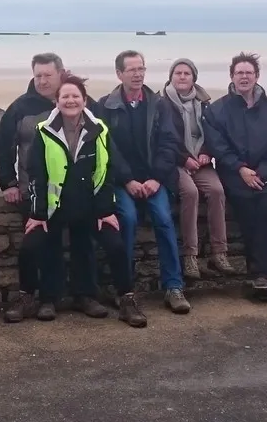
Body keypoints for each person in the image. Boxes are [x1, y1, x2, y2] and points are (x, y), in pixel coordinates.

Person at [24, 72, 144, 327]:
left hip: (90, 205)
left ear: (84, 100)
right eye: (65, 96)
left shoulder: (99, 130)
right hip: (54, 207)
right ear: (57, 101)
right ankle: (45, 299)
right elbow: (36, 173)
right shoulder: (44, 132)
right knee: (34, 245)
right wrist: (37, 214)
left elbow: (106, 171)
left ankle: (115, 299)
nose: (70, 100)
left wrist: (105, 210)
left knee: (115, 246)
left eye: (75, 96)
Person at [98, 51, 187, 314]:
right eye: (132, 70)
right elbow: (107, 148)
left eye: (141, 69)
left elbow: (169, 143)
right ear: (119, 74)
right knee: (127, 219)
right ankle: (124, 289)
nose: (138, 74)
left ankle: (174, 286)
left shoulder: (159, 104)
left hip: (154, 180)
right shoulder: (105, 106)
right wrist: (127, 180)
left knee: (164, 219)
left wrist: (156, 178)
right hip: (122, 181)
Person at [204, 52, 267, 302]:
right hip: (234, 174)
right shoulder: (217, 110)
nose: (244, 77)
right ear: (232, 76)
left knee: (266, 211)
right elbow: (218, 146)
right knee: (247, 212)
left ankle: (261, 276)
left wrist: (262, 172)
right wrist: (241, 169)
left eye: (248, 73)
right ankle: (260, 275)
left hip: (266, 175)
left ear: (257, 76)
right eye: (239, 73)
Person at [0, 52, 64, 323]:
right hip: (31, 190)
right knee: (33, 244)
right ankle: (29, 296)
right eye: (38, 75)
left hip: (68, 190)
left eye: (48, 75)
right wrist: (8, 183)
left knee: (65, 243)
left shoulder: (74, 100)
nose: (42, 81)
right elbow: (2, 146)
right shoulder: (20, 107)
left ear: (60, 74)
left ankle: (53, 298)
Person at [163, 58, 232, 284]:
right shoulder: (162, 104)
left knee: (217, 190)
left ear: (194, 78)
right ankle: (190, 256)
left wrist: (206, 152)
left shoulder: (204, 104)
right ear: (171, 77)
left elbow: (212, 133)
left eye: (187, 73)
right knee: (190, 193)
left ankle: (219, 252)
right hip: (176, 162)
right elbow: (165, 139)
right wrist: (184, 159)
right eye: (178, 73)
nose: (182, 77)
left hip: (201, 161)